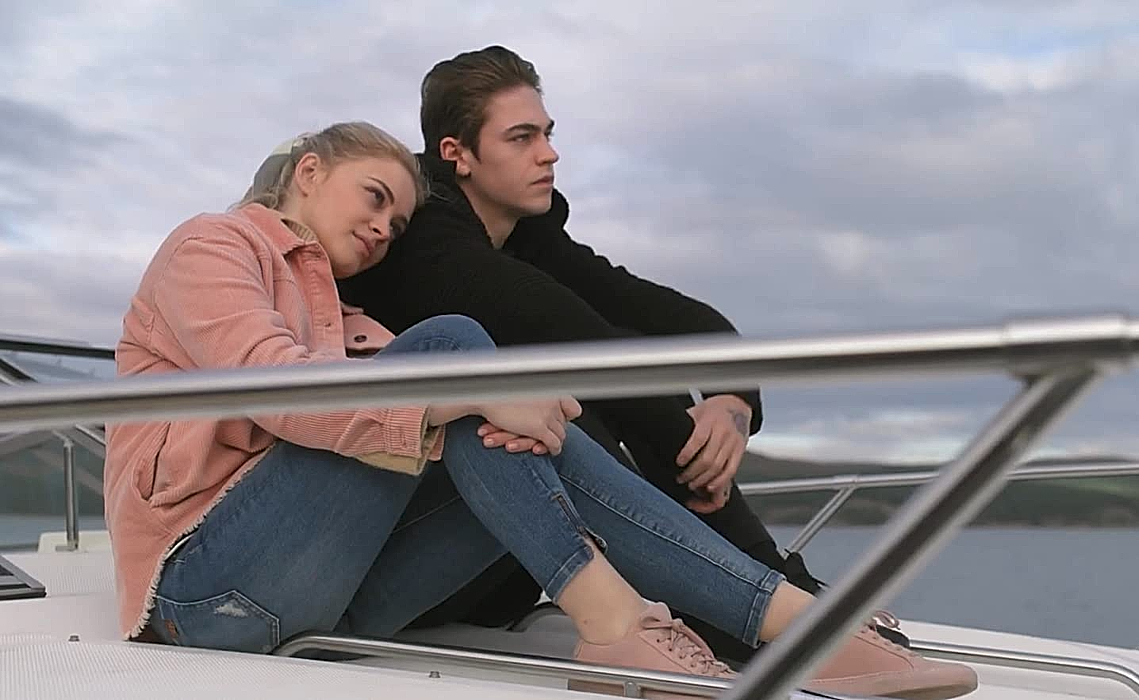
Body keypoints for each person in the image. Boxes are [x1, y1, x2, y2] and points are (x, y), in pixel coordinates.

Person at [102, 120, 976, 699]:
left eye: (398, 224)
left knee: (510, 425)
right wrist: (474, 385)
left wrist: (520, 404)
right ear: (309, 171)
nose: (383, 229)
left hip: (324, 603)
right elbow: (274, 383)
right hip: (201, 587)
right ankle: (667, 622)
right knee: (452, 348)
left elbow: (435, 412)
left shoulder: (345, 317)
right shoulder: (215, 243)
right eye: (375, 198)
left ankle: (782, 621)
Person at [336, 45, 906, 662]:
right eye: (522, 138)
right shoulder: (426, 245)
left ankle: (760, 593)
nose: (549, 154)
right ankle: (752, 606)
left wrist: (733, 399)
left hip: (499, 562)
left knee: (603, 375)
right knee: (578, 396)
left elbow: (673, 316)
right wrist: (694, 455)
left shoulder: (527, 237)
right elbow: (573, 335)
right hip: (398, 562)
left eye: (548, 134)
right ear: (458, 154)